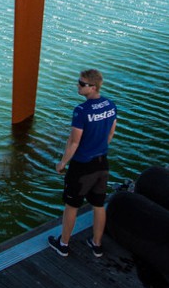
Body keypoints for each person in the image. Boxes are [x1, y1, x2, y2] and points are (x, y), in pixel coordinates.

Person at [50, 69, 119, 257]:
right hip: (102, 162)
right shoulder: (110, 105)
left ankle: (63, 244)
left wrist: (62, 163)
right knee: (98, 205)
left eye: (81, 84)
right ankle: (96, 244)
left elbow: (74, 142)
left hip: (82, 165)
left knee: (72, 206)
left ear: (93, 87)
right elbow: (111, 134)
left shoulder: (81, 111)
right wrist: (98, 147)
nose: (78, 86)